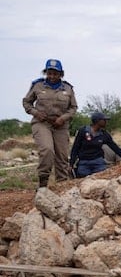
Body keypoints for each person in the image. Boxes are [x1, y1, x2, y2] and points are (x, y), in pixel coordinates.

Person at [22, 59, 78, 188]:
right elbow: (26, 103)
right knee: (47, 150)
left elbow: (73, 108)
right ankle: (42, 184)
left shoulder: (68, 88)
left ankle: (62, 186)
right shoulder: (38, 86)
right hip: (42, 123)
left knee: (62, 157)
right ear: (46, 72)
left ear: (61, 74)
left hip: (61, 125)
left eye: (55, 74)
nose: (52, 76)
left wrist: (63, 118)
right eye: (49, 73)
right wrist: (36, 113)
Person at [70, 112, 121, 178]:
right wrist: (71, 163)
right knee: (82, 177)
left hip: (98, 162)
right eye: (104, 120)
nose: (106, 122)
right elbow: (75, 147)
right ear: (98, 121)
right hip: (84, 162)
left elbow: (115, 147)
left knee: (102, 177)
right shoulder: (83, 131)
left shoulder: (104, 134)